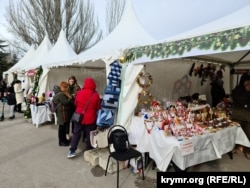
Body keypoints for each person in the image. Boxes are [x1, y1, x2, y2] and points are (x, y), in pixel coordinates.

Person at [67, 77, 101, 158]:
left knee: (76, 133)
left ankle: (72, 150)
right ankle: (89, 150)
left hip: (79, 117)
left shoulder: (79, 92)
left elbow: (76, 103)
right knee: (90, 134)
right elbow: (98, 107)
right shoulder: (95, 95)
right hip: (90, 118)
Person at [231, 72, 250, 159]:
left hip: (247, 116)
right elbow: (241, 101)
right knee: (235, 133)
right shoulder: (236, 90)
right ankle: (233, 147)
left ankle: (247, 151)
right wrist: (246, 91)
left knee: (248, 134)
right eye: (247, 81)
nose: (248, 83)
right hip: (237, 115)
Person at [53, 82, 73, 147]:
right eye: (66, 87)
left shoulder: (61, 94)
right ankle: (62, 141)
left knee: (63, 127)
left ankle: (63, 140)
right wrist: (70, 98)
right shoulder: (61, 94)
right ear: (64, 87)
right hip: (62, 113)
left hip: (62, 112)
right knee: (62, 128)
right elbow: (65, 102)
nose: (68, 88)